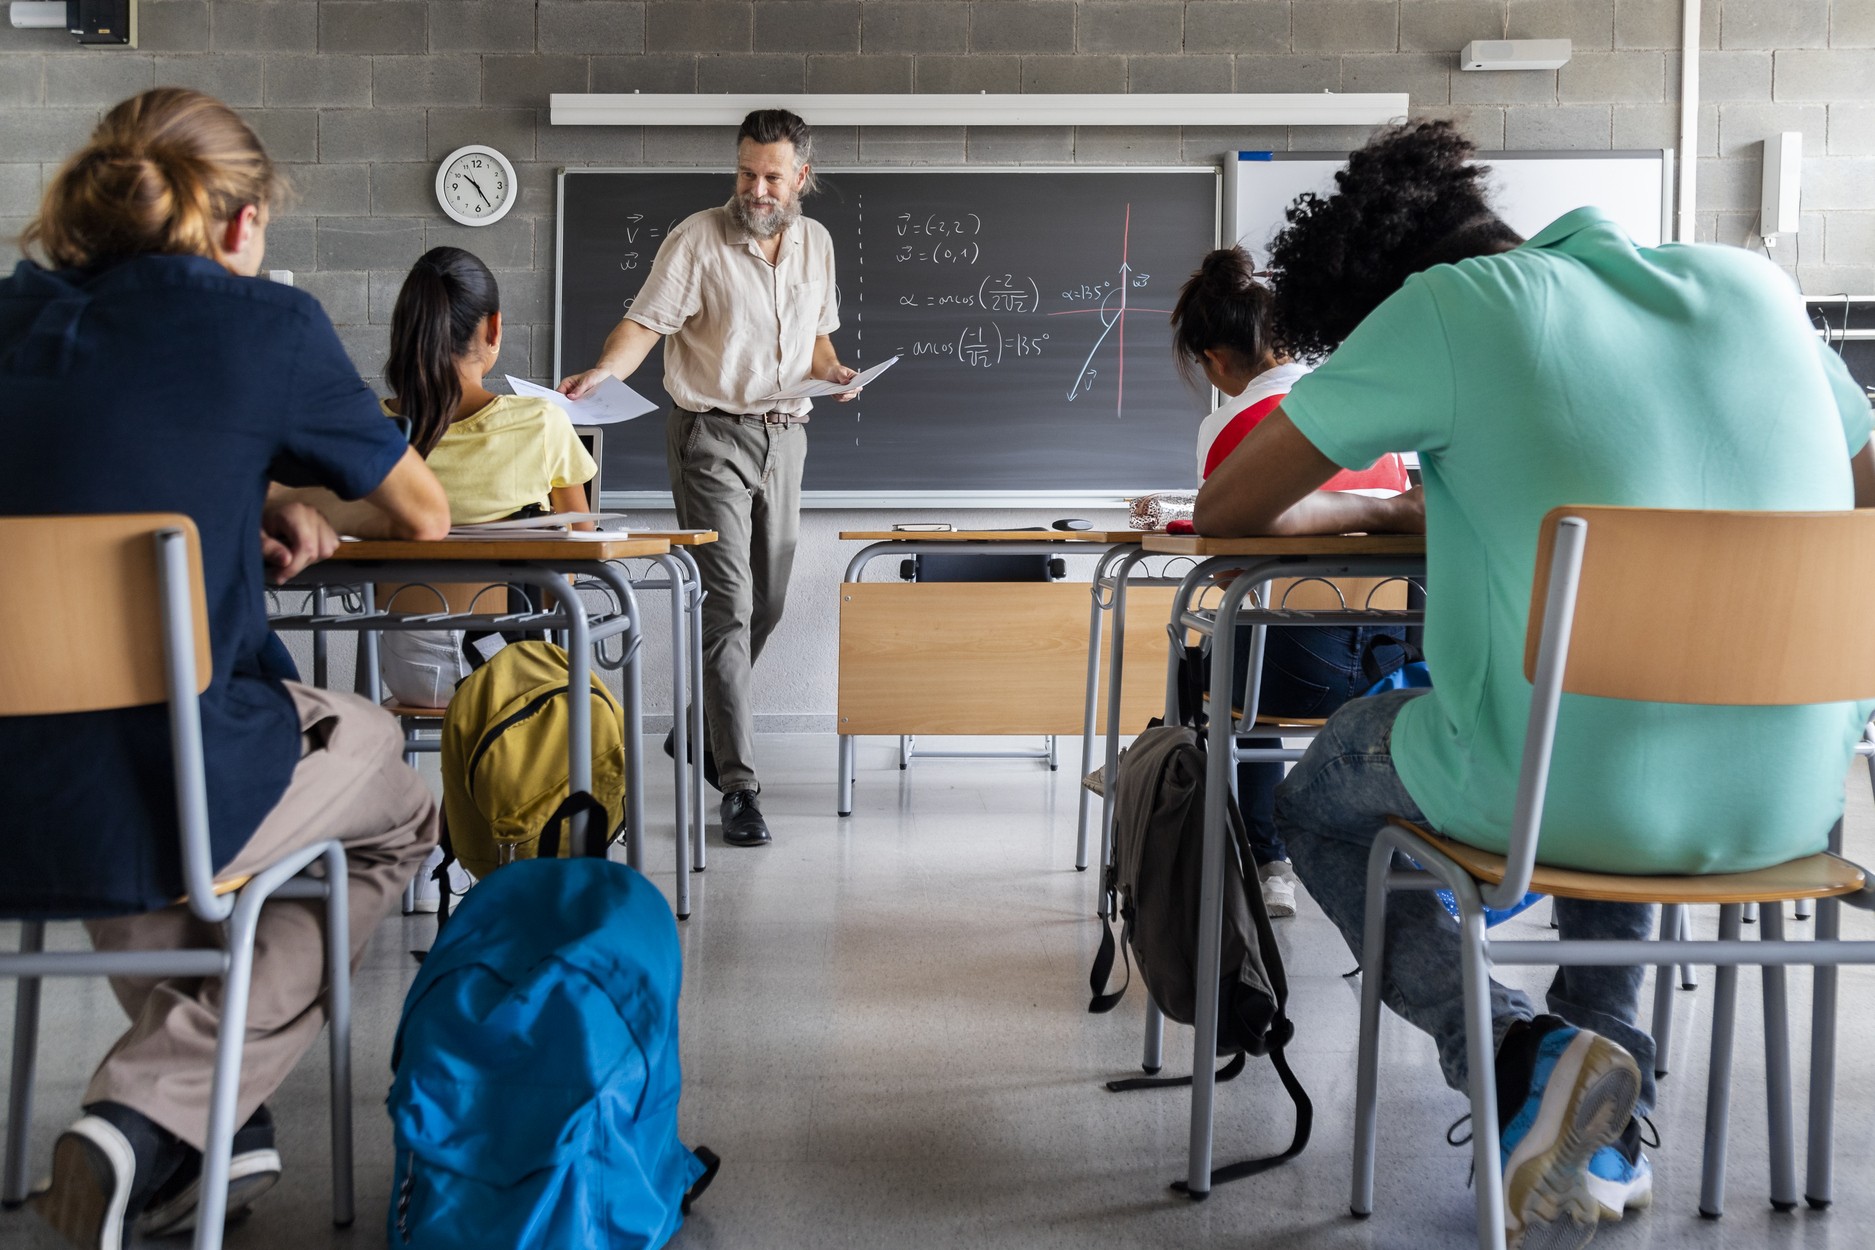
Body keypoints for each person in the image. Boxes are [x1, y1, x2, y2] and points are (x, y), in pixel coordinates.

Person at [1195, 120, 1873, 1249]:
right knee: (1625, 710)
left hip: (1561, 783)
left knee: (1319, 794)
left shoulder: (1458, 305)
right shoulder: (1761, 290)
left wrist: (1387, 504)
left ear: (1388, 293)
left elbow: (1231, 509)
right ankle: (1603, 1121)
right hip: (1793, 800)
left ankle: (1525, 1051)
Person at [0, 88, 451, 1247]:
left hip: (22, 798)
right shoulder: (265, 325)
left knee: (142, 805)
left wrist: (241, 493)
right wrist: (297, 492)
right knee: (392, 792)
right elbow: (422, 511)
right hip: (178, 780)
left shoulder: (10, 315)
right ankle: (146, 1114)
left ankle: (223, 1133)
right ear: (242, 225)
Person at [558, 108, 859, 848]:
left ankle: (696, 730)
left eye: (771, 177)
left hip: (786, 434)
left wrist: (836, 373)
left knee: (771, 600)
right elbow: (644, 325)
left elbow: (818, 341)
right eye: (745, 173)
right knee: (727, 603)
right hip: (709, 436)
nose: (756, 189)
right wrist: (603, 370)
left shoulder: (815, 242)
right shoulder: (697, 238)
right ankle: (738, 787)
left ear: (801, 178)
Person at [1169, 247, 1411, 917]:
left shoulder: (1229, 427)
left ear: (1215, 361)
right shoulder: (1377, 422)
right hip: (1386, 665)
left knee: (1218, 645)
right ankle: (1390, 853)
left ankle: (1267, 858)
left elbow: (1226, 557)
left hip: (1287, 674)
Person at [375, 246, 598, 708]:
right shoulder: (541, 421)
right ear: (494, 327)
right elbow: (581, 546)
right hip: (516, 668)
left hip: (412, 673)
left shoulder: (372, 430)